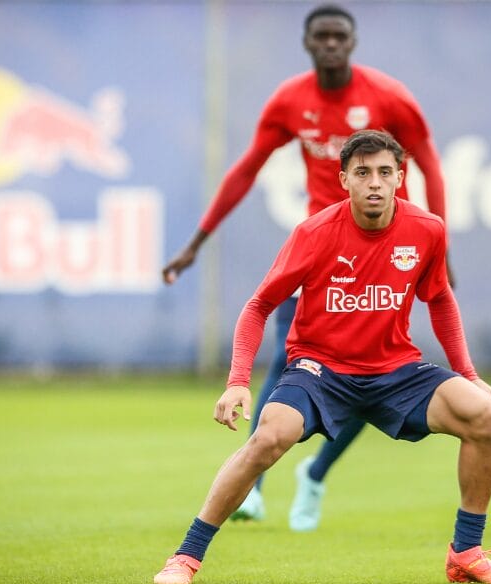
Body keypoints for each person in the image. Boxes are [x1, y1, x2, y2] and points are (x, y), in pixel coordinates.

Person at [153, 130, 491, 584]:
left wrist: (468, 374)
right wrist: (237, 381)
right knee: (270, 436)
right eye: (363, 173)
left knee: (485, 416)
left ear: (400, 178)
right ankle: (186, 557)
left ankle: (465, 554)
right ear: (344, 179)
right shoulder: (314, 233)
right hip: (319, 370)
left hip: (393, 370)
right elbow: (258, 306)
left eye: (385, 172)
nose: (375, 183)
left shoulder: (427, 229)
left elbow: (440, 299)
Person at [162, 4, 447, 530]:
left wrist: (440, 249)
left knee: (374, 376)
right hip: (322, 251)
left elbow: (429, 164)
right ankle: (253, 486)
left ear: (353, 42)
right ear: (308, 43)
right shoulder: (291, 101)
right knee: (287, 360)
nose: (332, 45)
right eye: (323, 36)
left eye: (341, 36)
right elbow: (247, 169)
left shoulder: (389, 98)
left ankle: (315, 473)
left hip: (387, 256)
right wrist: (197, 241)